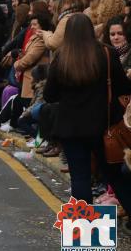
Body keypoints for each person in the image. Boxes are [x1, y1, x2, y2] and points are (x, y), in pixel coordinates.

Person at [43, 14, 131, 233]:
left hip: (71, 128)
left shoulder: (62, 57)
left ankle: (84, 234)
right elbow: (122, 87)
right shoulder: (106, 53)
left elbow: (49, 95)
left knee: (80, 177)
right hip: (104, 127)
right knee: (115, 177)